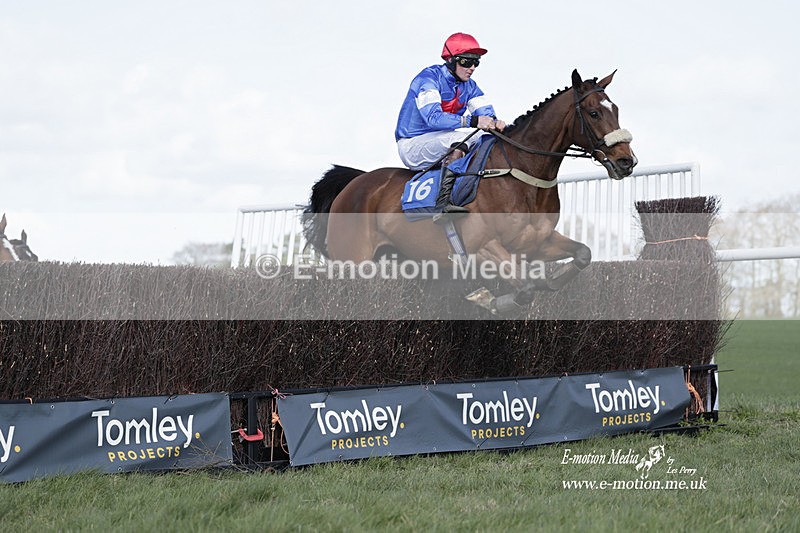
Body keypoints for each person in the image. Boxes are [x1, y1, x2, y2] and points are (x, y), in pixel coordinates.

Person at [395, 32, 506, 223]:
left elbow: (485, 114)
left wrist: (496, 123)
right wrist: (473, 121)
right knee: (462, 137)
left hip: (441, 142)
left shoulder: (470, 86)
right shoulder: (428, 78)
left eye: (476, 62)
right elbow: (433, 118)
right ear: (451, 60)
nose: (471, 68)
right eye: (466, 62)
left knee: (484, 139)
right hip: (412, 144)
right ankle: (442, 202)